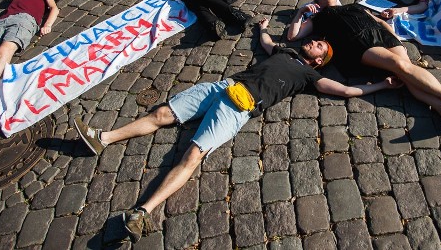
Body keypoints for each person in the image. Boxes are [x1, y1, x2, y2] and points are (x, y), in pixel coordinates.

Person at [73, 17, 401, 243]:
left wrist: (381, 86)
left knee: (192, 154)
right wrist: (262, 28)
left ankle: (142, 212)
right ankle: (102, 138)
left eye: (319, 46)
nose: (313, 42)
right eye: (315, 40)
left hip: (239, 107)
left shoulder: (311, 77)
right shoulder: (287, 51)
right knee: (162, 113)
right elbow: (268, 42)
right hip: (223, 87)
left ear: (319, 61)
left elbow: (345, 91)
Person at [288, 0, 441, 129]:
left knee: (406, 72)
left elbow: (379, 21)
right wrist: (300, 12)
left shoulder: (354, 5)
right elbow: (293, 36)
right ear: (317, 3)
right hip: (359, 43)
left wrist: (394, 37)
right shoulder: (319, 19)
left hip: (383, 36)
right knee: (400, 66)